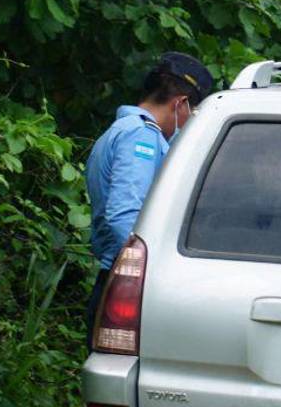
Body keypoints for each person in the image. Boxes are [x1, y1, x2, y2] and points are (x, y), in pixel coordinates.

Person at [85, 52, 214, 338]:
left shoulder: (122, 129)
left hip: (118, 278)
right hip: (128, 284)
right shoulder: (140, 136)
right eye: (191, 112)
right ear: (180, 103)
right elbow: (124, 216)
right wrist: (153, 278)